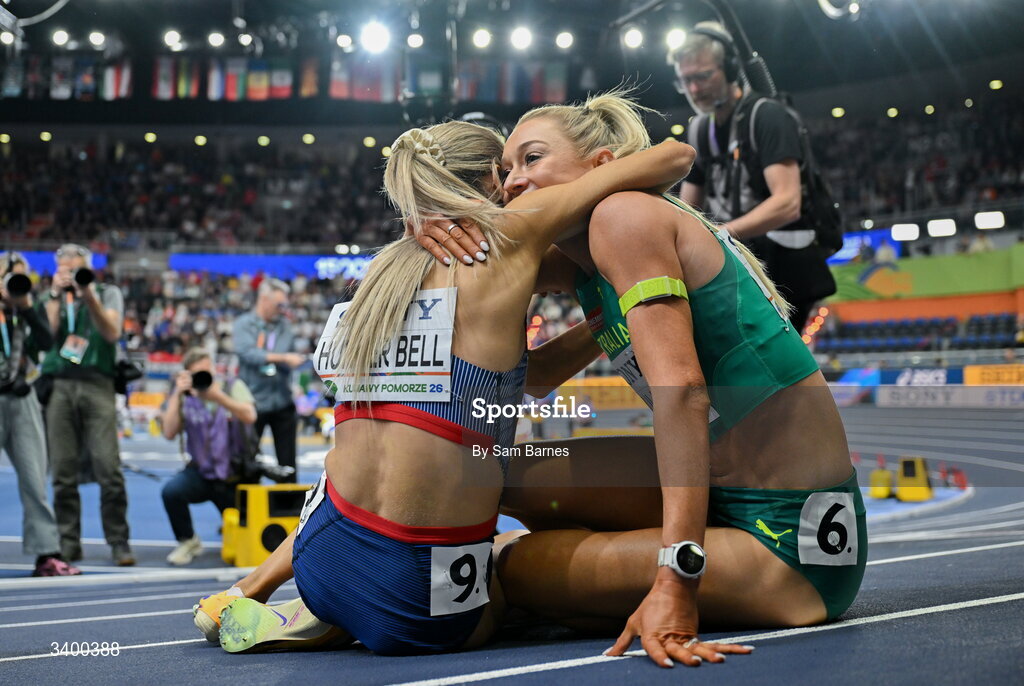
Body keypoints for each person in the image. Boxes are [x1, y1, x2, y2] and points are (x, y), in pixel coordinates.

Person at [194, 114, 707, 658]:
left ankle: (273, 596)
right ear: (492, 176)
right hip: (415, 597)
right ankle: (366, 611)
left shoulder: (380, 273)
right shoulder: (509, 233)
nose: (517, 181)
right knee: (528, 571)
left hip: (320, 556)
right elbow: (676, 156)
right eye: (509, 169)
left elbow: (528, 376)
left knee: (368, 462)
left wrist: (600, 323)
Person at [416, 92, 863, 667]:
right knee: (499, 477)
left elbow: (685, 396)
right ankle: (592, 580)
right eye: (505, 172)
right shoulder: (584, 260)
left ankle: (613, 575)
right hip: (722, 491)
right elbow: (540, 369)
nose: (513, 184)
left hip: (789, 541)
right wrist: (430, 222)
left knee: (513, 566)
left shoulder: (624, 217)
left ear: (602, 167)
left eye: (532, 159)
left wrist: (677, 580)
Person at [671, 21, 836, 330]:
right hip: (741, 257)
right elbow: (688, 210)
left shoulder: (767, 115)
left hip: (784, 262)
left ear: (731, 68)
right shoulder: (699, 129)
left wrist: (721, 233)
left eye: (703, 76)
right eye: (686, 80)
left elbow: (787, 203)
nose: (694, 89)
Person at [40, 244, 134, 566]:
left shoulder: (108, 293)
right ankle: (68, 542)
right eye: (64, 269)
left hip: (98, 383)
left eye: (77, 269)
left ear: (89, 269)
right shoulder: (51, 297)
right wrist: (55, 295)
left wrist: (87, 293)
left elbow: (111, 332)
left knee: (108, 467)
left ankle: (119, 541)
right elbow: (45, 337)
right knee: (62, 470)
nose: (72, 275)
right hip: (60, 384)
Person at [0, 252, 80, 576]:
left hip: (23, 398)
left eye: (23, 278)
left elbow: (47, 341)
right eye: (11, 278)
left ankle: (47, 554)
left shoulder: (24, 311)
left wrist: (28, 307)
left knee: (35, 479)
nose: (17, 285)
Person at [160, 348, 257, 566]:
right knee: (171, 492)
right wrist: (177, 392)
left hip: (235, 474)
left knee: (248, 544)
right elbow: (168, 432)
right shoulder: (185, 396)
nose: (204, 377)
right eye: (197, 374)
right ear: (187, 375)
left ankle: (231, 527)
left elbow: (250, 416)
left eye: (207, 370)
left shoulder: (232, 386)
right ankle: (188, 540)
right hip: (201, 472)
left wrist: (218, 397)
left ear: (214, 368)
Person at [232, 279, 303, 483]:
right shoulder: (244, 324)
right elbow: (247, 353)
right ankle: (246, 510)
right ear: (263, 299)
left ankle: (290, 510)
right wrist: (282, 358)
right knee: (248, 460)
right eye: (278, 304)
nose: (282, 309)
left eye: (284, 304)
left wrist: (288, 360)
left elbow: (284, 352)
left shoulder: (284, 325)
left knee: (288, 463)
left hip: (282, 399)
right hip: (252, 403)